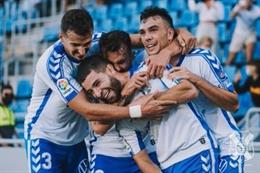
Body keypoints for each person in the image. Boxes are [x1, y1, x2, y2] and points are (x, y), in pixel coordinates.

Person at [24, 9, 178, 173]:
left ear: (92, 33)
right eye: (75, 45)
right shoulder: (53, 64)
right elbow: (88, 111)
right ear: (62, 38)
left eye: (86, 44)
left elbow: (148, 40)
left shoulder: (98, 41)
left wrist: (176, 39)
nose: (82, 52)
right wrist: (138, 110)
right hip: (46, 137)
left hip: (77, 140)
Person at [146, 6, 244, 173]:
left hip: (227, 144)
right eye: (143, 32)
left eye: (153, 30)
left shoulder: (201, 57)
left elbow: (234, 104)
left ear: (170, 34)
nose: (147, 37)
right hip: (194, 150)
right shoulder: (151, 69)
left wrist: (196, 79)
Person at [226, 0, 260, 65]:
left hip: (250, 33)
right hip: (238, 34)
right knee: (231, 58)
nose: (247, 2)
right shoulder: (238, 6)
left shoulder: (257, 10)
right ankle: (224, 73)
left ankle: (249, 73)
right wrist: (238, 9)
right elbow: (231, 17)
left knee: (249, 58)